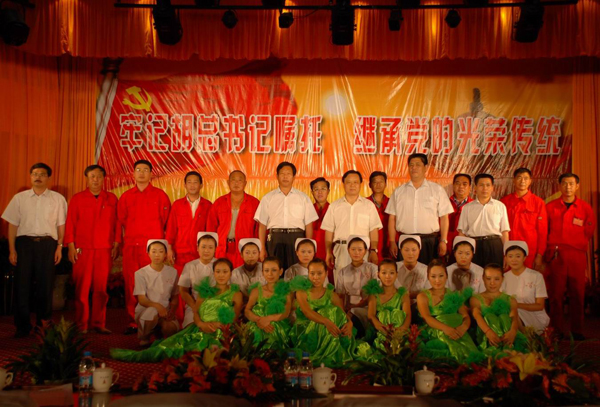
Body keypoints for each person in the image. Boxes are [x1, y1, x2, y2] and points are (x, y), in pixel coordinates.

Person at [111, 258, 243, 363]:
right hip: (199, 329)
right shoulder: (205, 291)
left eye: (225, 272)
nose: (221, 275)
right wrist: (201, 324)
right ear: (213, 273)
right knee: (168, 348)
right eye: (218, 271)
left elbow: (234, 318)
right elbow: (196, 312)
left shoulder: (236, 294)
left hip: (221, 332)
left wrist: (220, 327)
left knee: (209, 354)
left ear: (231, 273)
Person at [2, 163, 68, 338]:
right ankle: (22, 326)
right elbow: (12, 225)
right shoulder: (19, 198)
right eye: (35, 174)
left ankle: (43, 324)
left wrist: (60, 247)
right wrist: (12, 249)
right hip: (24, 244)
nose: (38, 177)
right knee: (22, 286)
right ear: (30, 176)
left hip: (48, 245)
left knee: (46, 286)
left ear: (48, 178)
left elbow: (61, 225)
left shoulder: (58, 199)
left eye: (42, 174)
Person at [64, 165, 119, 334]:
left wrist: (117, 244)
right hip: (83, 249)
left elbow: (117, 224)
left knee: (101, 289)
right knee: (82, 289)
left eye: (99, 176)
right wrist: (71, 246)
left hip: (104, 249)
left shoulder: (111, 198)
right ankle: (81, 324)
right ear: (87, 179)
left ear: (104, 179)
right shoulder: (77, 198)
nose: (95, 180)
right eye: (92, 176)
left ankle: (98, 323)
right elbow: (70, 223)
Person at [117, 159, 171, 334]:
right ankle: (133, 321)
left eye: (145, 170)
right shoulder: (126, 196)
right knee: (132, 284)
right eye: (138, 170)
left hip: (153, 249)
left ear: (151, 174)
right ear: (133, 173)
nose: (141, 173)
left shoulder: (160, 196)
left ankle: (154, 319)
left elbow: (166, 221)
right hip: (132, 247)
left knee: (154, 284)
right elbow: (121, 220)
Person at [545, 173, 596, 340]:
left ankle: (577, 330)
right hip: (556, 255)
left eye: (571, 184)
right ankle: (556, 329)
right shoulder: (551, 207)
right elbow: (545, 230)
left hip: (576, 255)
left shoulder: (585, 207)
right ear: (559, 186)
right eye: (565, 183)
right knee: (556, 295)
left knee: (578, 293)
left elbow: (589, 231)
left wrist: (577, 243)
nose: (568, 187)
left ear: (577, 186)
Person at [290, 259, 360, 367]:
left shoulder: (331, 295)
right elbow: (307, 312)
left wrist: (350, 323)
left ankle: (331, 352)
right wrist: (326, 321)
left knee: (333, 312)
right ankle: (323, 354)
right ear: (308, 274)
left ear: (326, 273)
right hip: (306, 331)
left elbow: (342, 314)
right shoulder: (302, 292)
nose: (316, 277)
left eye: (319, 273)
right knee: (325, 312)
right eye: (312, 273)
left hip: (327, 330)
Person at [386, 153, 453, 265]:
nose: (414, 168)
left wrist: (443, 240)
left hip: (429, 242)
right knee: (405, 273)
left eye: (418, 164)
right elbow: (392, 218)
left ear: (425, 168)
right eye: (411, 165)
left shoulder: (437, 190)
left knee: (429, 272)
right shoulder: (399, 191)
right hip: (405, 240)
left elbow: (444, 217)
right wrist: (392, 241)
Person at [254, 162, 319, 270]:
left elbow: (308, 225)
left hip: (296, 238)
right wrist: (262, 248)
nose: (285, 176)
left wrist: (308, 246)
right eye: (282, 173)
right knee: (275, 271)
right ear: (277, 176)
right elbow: (262, 225)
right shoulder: (268, 198)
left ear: (294, 177)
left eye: (288, 174)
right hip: (275, 238)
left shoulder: (303, 198)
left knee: (296, 272)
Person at [416, 259, 478, 362]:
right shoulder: (423, 296)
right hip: (437, 331)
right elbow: (426, 317)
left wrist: (464, 327)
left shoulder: (454, 295)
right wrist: (446, 329)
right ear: (428, 277)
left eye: (441, 276)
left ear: (446, 276)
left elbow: (465, 316)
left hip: (458, 331)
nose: (437, 280)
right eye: (433, 276)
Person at [322, 170, 382, 275]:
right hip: (341, 250)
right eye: (349, 182)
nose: (352, 185)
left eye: (355, 182)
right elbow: (329, 231)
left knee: (363, 282)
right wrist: (328, 252)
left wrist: (373, 250)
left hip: (362, 251)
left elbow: (373, 230)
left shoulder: (369, 206)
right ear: (343, 184)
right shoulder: (334, 206)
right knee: (341, 282)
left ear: (360, 184)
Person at [470, 264, 528, 353]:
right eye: (488, 279)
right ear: (483, 278)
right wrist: (488, 332)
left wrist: (513, 332)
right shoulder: (475, 299)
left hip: (508, 337)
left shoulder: (510, 300)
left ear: (502, 279)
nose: (492, 283)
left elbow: (514, 317)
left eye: (496, 279)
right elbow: (477, 316)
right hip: (487, 338)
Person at [206, 171, 259, 268]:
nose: (236, 183)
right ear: (228, 182)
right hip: (222, 248)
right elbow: (211, 228)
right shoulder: (219, 202)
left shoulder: (254, 203)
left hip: (245, 250)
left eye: (240, 180)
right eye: (233, 180)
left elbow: (258, 230)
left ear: (245, 183)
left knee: (242, 275)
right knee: (223, 274)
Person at [133, 240, 180, 346]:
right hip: (146, 309)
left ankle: (159, 334)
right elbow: (142, 300)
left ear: (165, 254)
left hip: (165, 310)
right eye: (154, 251)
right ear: (148, 253)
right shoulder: (140, 273)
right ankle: (144, 337)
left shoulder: (172, 272)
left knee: (171, 328)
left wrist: (172, 311)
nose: (157, 255)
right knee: (152, 312)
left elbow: (175, 296)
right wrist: (158, 306)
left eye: (161, 251)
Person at [457, 174, 510, 268]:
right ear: (475, 187)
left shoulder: (500, 206)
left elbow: (504, 232)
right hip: (474, 245)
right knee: (474, 275)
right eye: (481, 185)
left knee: (494, 274)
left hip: (494, 245)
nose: (485, 188)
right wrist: (462, 253)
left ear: (492, 187)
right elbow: (462, 233)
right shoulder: (467, 208)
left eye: (488, 185)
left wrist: (506, 253)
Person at [165, 171, 212, 276]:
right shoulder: (177, 205)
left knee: (199, 283)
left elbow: (210, 230)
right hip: (181, 253)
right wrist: (169, 248)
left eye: (195, 182)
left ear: (201, 185)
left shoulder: (208, 205)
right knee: (181, 282)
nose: (192, 185)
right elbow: (171, 228)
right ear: (185, 185)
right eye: (189, 182)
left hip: (200, 253)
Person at [500, 168, 547, 270]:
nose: (522, 181)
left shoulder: (538, 203)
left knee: (528, 278)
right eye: (519, 178)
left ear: (530, 181)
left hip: (529, 252)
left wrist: (539, 255)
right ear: (514, 180)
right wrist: (503, 253)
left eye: (526, 178)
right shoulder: (504, 202)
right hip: (509, 250)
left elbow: (542, 231)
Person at [364, 259, 411, 356]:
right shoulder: (374, 295)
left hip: (399, 332)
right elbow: (371, 315)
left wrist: (401, 330)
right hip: (380, 332)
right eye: (384, 273)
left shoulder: (402, 294)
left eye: (391, 273)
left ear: (396, 274)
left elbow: (408, 315)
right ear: (378, 274)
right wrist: (384, 330)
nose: (388, 276)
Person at [501, 241, 550, 334]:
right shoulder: (503, 278)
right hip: (511, 314)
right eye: (510, 256)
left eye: (518, 256)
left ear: (524, 258)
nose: (514, 260)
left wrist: (516, 305)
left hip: (534, 315)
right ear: (505, 258)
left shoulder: (536, 276)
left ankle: (525, 339)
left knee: (513, 314)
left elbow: (540, 305)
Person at [245, 256, 293, 349]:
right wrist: (259, 321)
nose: (270, 274)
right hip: (258, 326)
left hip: (279, 327)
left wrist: (268, 319)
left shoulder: (286, 291)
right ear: (262, 272)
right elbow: (247, 310)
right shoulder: (256, 291)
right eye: (266, 270)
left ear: (280, 271)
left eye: (274, 270)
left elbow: (286, 312)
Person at [334, 236, 378, 335]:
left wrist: (356, 307)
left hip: (368, 307)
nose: (356, 253)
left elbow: (375, 293)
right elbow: (340, 296)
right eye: (353, 249)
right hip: (347, 309)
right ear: (348, 250)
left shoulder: (373, 269)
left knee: (354, 314)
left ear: (365, 251)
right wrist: (343, 312)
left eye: (360, 249)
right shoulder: (343, 272)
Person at [179, 232, 218, 328]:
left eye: (210, 247)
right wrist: (194, 306)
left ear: (215, 249)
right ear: (197, 248)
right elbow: (183, 290)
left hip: (215, 304)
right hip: (194, 304)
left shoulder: (220, 265)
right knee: (190, 328)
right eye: (203, 247)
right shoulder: (190, 266)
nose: (206, 250)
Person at [310, 177, 333, 283]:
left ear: (328, 191)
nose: (320, 192)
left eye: (323, 189)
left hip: (329, 254)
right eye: (316, 189)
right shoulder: (307, 210)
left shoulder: (334, 209)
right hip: (310, 254)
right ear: (312, 192)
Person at [447, 173, 473, 263]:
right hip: (447, 244)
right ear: (453, 186)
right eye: (457, 183)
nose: (461, 186)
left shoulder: (474, 205)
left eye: (464, 184)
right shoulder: (444, 203)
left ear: (470, 187)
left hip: (466, 246)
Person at [367, 171, 390, 262]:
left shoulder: (392, 203)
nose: (378, 184)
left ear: (385, 184)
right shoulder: (364, 203)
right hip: (370, 247)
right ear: (370, 185)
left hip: (388, 246)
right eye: (375, 182)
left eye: (381, 181)